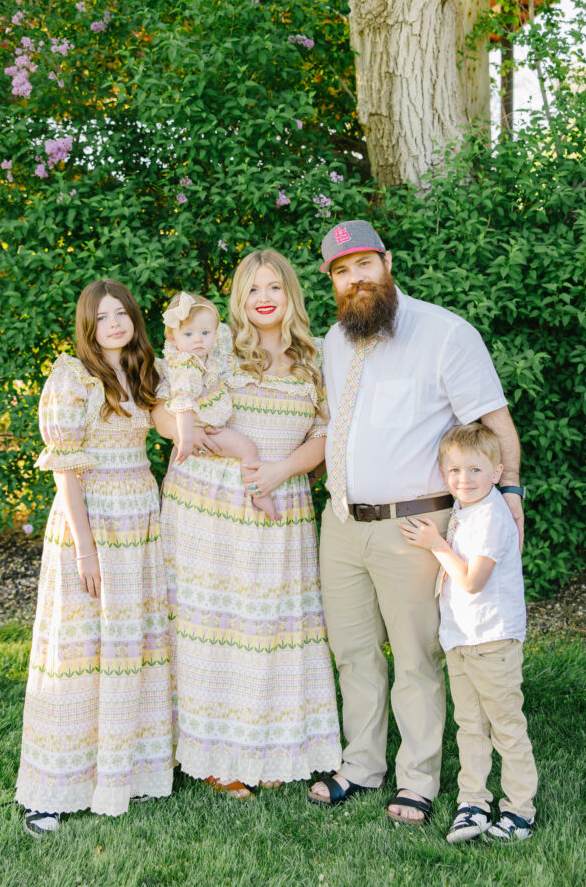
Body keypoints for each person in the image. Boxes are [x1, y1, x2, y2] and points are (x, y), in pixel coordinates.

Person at [308, 220, 525, 825]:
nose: (355, 279)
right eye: (342, 271)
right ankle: (361, 764)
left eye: (364, 264)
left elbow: (495, 422)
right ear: (333, 282)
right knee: (353, 652)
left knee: (415, 656)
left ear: (387, 262)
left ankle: (419, 779)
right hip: (341, 522)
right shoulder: (334, 341)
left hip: (413, 526)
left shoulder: (445, 333)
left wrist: (510, 489)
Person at [155, 249, 341, 797]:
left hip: (281, 506)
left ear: (290, 295)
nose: (264, 298)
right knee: (213, 629)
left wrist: (279, 470)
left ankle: (271, 744)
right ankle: (214, 753)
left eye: (274, 287)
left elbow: (328, 435)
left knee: (273, 628)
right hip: (209, 506)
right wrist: (211, 439)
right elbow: (163, 409)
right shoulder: (215, 347)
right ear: (240, 297)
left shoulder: (316, 358)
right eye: (253, 289)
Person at [16, 280, 174, 837]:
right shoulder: (73, 378)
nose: (114, 324)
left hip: (140, 521)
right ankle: (54, 788)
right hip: (91, 523)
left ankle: (128, 771)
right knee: (78, 649)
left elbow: (178, 421)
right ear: (88, 326)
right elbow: (65, 470)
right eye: (102, 317)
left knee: (133, 643)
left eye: (121, 313)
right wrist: (86, 550)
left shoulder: (146, 372)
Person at [400, 423, 537, 843]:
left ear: (497, 472)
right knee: (470, 726)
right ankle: (473, 803)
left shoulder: (491, 515)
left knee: (506, 727)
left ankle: (519, 811)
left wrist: (435, 544)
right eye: (455, 470)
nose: (464, 478)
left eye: (475, 470)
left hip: (492, 638)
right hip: (461, 638)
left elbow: (473, 581)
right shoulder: (466, 508)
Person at [161, 290, 277, 520]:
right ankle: (258, 493)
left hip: (204, 425)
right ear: (173, 339)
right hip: (203, 428)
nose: (198, 339)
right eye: (188, 334)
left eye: (205, 333)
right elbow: (183, 405)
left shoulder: (203, 358)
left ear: (214, 334)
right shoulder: (187, 368)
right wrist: (185, 440)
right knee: (248, 449)